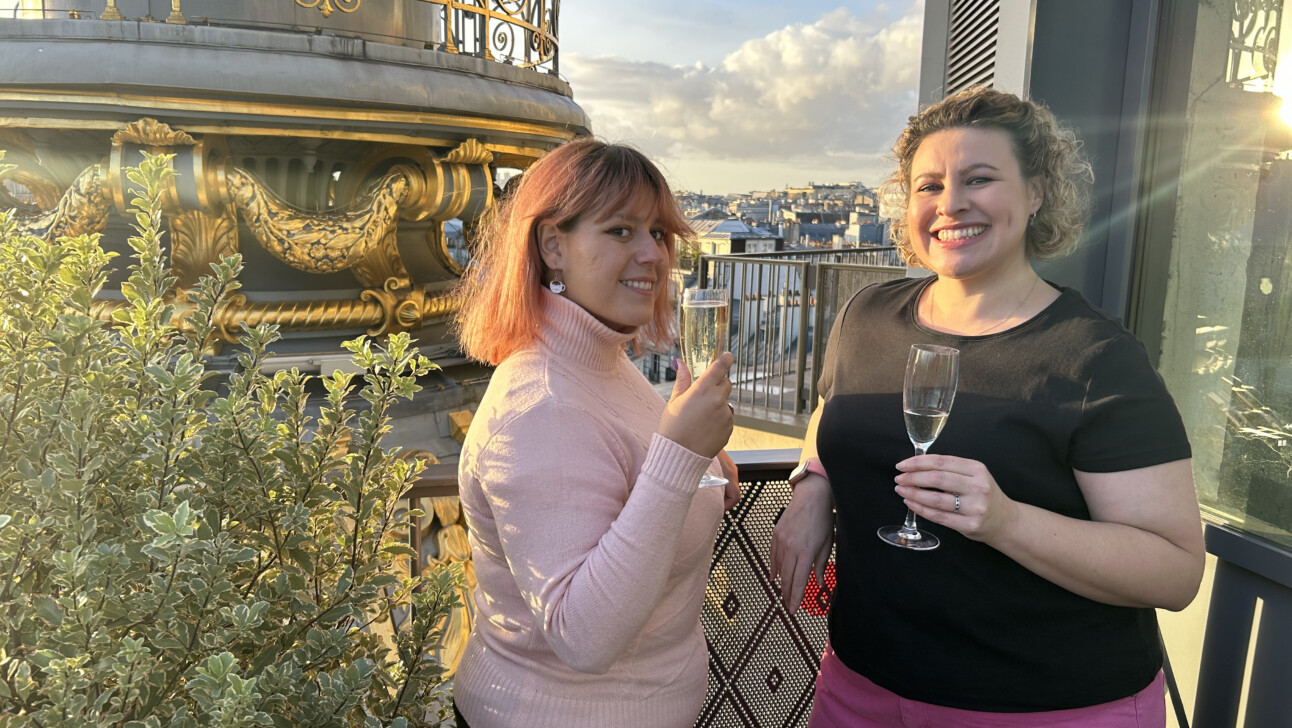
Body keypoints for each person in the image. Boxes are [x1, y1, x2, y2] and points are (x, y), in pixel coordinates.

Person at [769, 86, 1205, 727]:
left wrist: (1005, 522)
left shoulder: (1094, 358)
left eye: (980, 179)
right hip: (861, 687)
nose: (951, 204)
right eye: (929, 185)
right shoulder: (868, 317)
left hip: (1046, 707)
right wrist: (813, 483)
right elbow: (836, 411)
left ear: (1036, 194)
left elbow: (1174, 571)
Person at [451, 138, 739, 728]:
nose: (653, 255)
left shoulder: (602, 363)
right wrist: (680, 457)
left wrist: (702, 473)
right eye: (620, 231)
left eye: (658, 233)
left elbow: (631, 489)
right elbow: (582, 634)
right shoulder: (541, 405)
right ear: (553, 245)